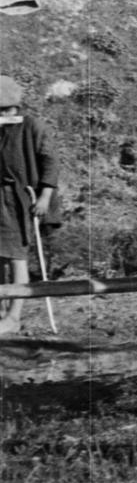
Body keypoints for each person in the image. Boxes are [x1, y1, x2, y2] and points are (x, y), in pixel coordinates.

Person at [0, 75, 61, 335]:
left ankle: (13, 317)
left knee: (16, 258)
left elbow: (50, 162)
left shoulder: (33, 127)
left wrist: (45, 197)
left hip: (19, 200)